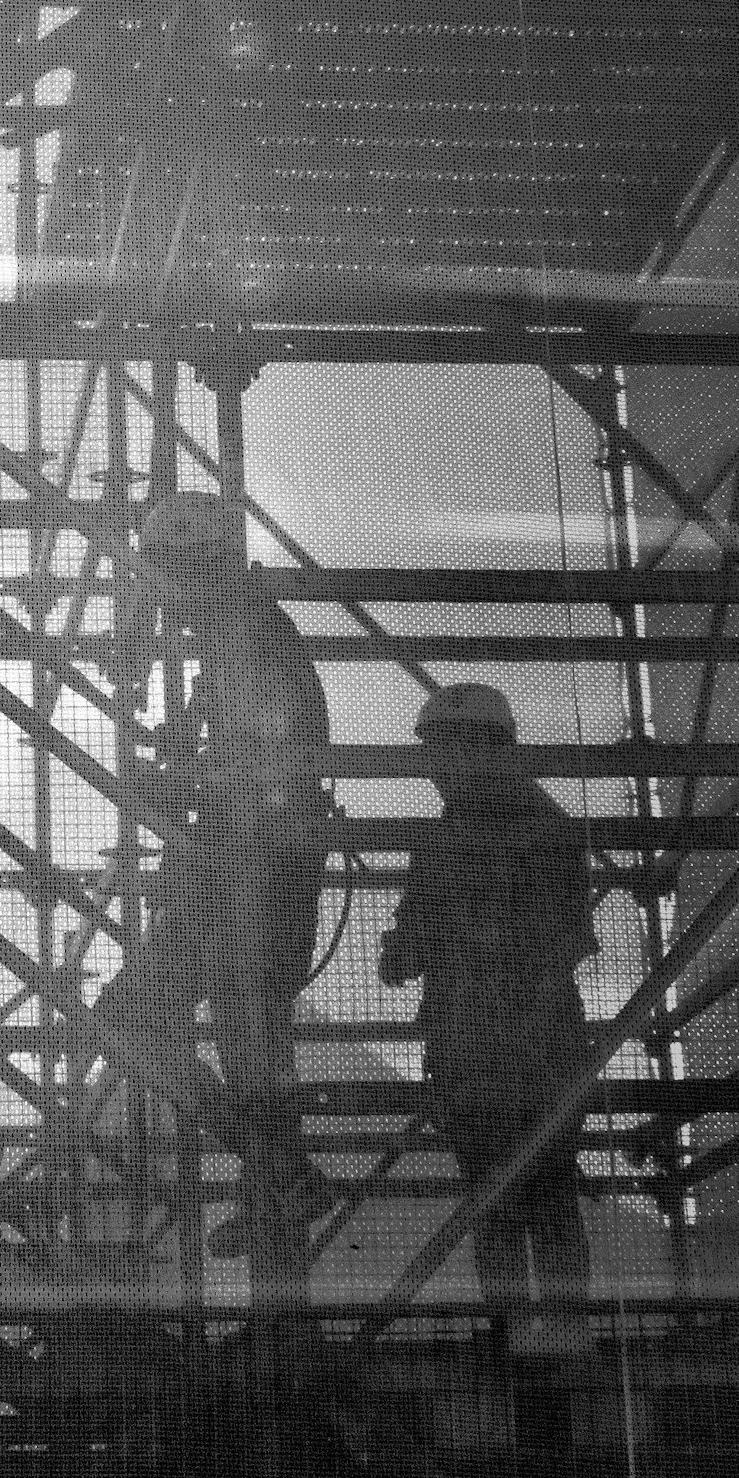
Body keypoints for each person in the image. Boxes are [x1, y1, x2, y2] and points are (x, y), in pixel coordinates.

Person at [107, 489, 337, 1265]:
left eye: (163, 576)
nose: (159, 600)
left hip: (248, 864)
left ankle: (276, 1174)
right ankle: (277, 1180)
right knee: (249, 1042)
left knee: (149, 1020)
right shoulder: (239, 631)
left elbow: (260, 765)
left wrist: (177, 787)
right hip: (245, 861)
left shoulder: (240, 636)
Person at [381, 683, 597, 1353]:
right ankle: (563, 1331)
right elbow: (570, 935)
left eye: (438, 753)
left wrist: (410, 948)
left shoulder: (447, 838)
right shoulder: (550, 824)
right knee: (549, 1190)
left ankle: (514, 1334)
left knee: (495, 1195)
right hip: (544, 1047)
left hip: (474, 1049)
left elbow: (405, 954)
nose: (432, 770)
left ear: (471, 748)